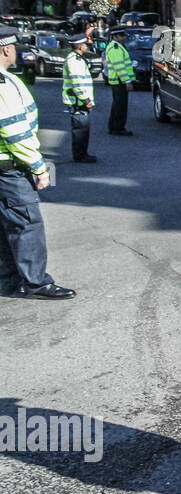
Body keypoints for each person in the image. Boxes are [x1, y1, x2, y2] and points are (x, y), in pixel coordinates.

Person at [0, 27, 74, 300]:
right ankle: (36, 283)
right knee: (26, 225)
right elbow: (14, 131)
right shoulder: (3, 84)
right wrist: (38, 166)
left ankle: (7, 281)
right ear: (7, 49)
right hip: (9, 170)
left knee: (5, 227)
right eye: (14, 48)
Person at [62, 33, 96, 163]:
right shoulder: (73, 61)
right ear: (81, 46)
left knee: (83, 129)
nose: (87, 46)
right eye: (86, 44)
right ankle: (80, 155)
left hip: (79, 100)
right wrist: (86, 100)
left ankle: (82, 153)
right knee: (80, 130)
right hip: (78, 102)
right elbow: (77, 83)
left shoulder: (77, 58)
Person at [104, 29, 134, 136]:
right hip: (119, 81)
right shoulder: (115, 48)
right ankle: (118, 128)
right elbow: (120, 67)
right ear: (115, 36)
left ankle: (114, 126)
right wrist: (127, 81)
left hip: (117, 81)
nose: (124, 37)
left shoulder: (116, 46)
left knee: (117, 104)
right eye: (121, 35)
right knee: (120, 105)